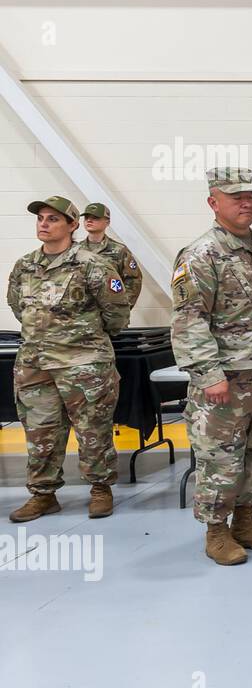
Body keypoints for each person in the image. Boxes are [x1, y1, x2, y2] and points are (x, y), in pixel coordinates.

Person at [172, 169, 252, 565]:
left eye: (250, 196)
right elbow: (189, 320)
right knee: (220, 458)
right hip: (223, 380)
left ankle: (246, 522)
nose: (246, 203)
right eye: (235, 197)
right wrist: (209, 374)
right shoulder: (201, 255)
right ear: (213, 203)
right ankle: (216, 531)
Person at [7, 196, 130, 523]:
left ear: (72, 225)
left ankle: (101, 489)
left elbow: (117, 312)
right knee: (40, 431)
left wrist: (82, 338)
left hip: (84, 364)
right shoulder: (25, 265)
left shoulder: (92, 264)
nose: (44, 224)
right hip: (35, 364)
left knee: (93, 430)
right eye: (41, 218)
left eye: (53, 219)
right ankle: (43, 495)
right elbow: (18, 306)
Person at [80, 203, 143, 310]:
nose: (89, 221)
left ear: (107, 222)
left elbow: (134, 280)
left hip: (110, 315)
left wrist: (122, 308)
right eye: (87, 218)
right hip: (81, 317)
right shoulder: (76, 250)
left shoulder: (119, 250)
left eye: (95, 218)